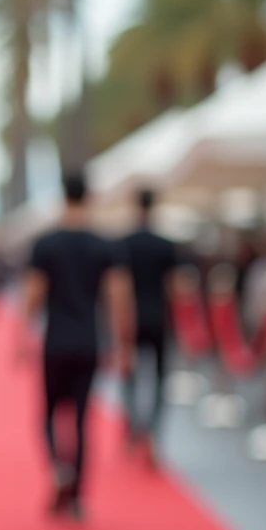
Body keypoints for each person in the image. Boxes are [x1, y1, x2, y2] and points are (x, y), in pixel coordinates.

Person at [22, 172, 133, 520]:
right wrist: (122, 344)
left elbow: (33, 294)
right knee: (83, 419)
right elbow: (117, 298)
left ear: (63, 196)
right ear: (89, 197)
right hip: (89, 341)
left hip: (56, 340)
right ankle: (79, 497)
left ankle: (59, 467)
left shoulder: (46, 244)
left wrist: (23, 333)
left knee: (48, 414)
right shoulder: (104, 245)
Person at [118, 188, 179, 466]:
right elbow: (174, 287)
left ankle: (134, 424)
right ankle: (153, 432)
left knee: (129, 376)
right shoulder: (164, 245)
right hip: (158, 317)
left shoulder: (123, 244)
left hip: (130, 318)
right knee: (159, 378)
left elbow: (118, 288)